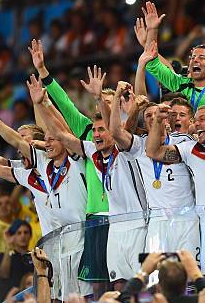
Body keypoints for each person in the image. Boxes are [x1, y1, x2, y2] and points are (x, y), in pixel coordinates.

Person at [48, 65, 147, 288]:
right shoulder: (92, 144)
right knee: (107, 285)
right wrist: (43, 92)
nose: (97, 133)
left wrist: (102, 98)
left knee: (140, 286)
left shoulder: (133, 141)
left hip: (136, 222)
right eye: (96, 129)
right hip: (105, 221)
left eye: (110, 104)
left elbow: (119, 132)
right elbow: (63, 118)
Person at [29, 39, 111, 287]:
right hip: (94, 214)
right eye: (101, 103)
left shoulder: (129, 138)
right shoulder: (87, 134)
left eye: (108, 102)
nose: (103, 106)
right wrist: (43, 72)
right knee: (97, 283)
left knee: (120, 280)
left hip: (126, 214)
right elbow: (64, 105)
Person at [109, 80, 199, 253]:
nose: (152, 118)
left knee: (189, 273)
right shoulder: (138, 145)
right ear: (144, 123)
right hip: (157, 220)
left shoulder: (183, 141)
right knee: (156, 276)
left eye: (156, 114)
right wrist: (116, 98)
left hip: (186, 218)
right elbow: (115, 132)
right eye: (148, 116)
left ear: (167, 118)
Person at [146, 103, 205, 278]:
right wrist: (158, 120)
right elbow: (153, 152)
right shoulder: (190, 150)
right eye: (195, 120)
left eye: (202, 119)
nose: (196, 124)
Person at [0, 219, 34, 290]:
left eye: (26, 232)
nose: (23, 236)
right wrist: (8, 247)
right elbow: (3, 275)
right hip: (12, 297)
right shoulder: (3, 256)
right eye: (19, 233)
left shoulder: (35, 256)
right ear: (12, 236)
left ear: (30, 236)